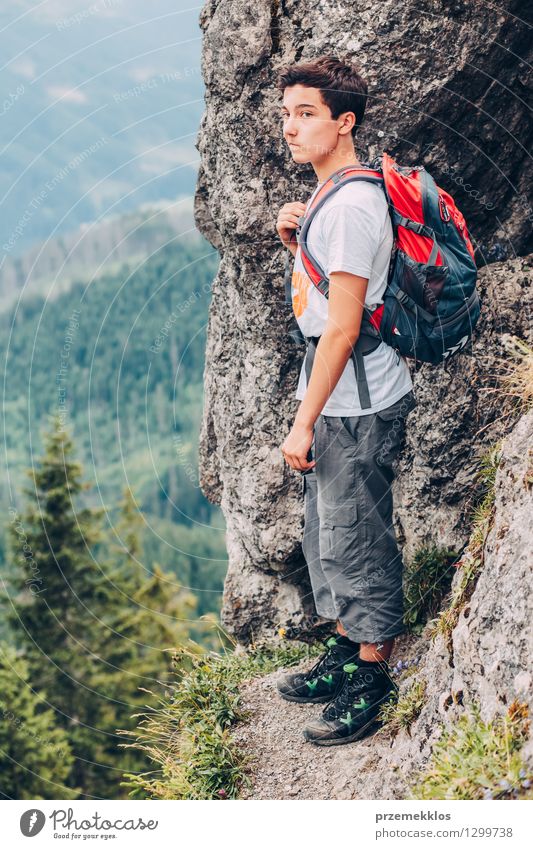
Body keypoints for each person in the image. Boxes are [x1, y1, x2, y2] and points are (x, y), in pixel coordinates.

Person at [275, 55, 417, 746]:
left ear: (344, 121)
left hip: (356, 402)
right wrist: (294, 240)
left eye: (306, 114)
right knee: (328, 532)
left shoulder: (353, 206)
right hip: (333, 395)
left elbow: (345, 324)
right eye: (286, 114)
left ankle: (371, 672)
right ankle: (343, 643)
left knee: (358, 537)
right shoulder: (331, 198)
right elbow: (326, 295)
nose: (290, 128)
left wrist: (303, 421)